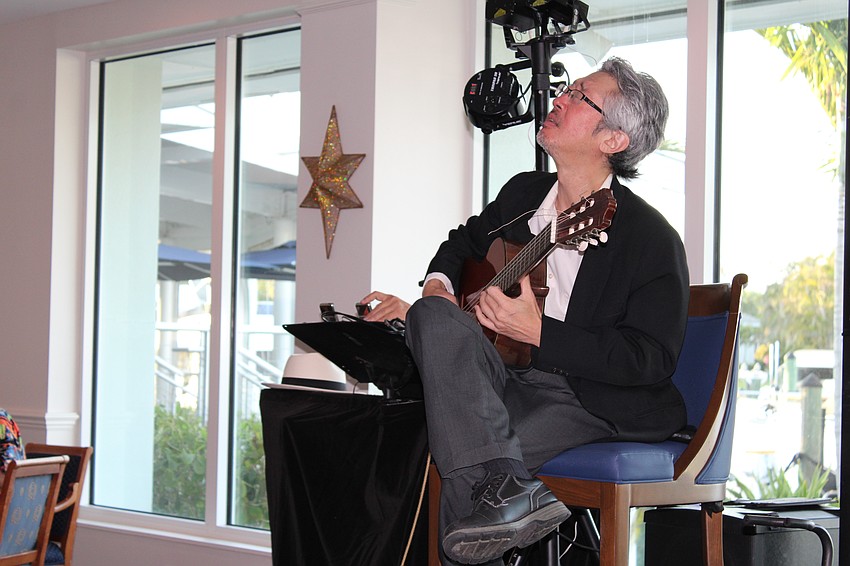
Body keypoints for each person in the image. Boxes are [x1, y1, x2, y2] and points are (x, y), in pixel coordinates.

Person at [360, 57, 689, 565]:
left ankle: (502, 495)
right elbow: (460, 245)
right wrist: (438, 287)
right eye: (568, 89)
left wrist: (541, 333)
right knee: (429, 316)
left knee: (466, 469)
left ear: (613, 141)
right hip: (501, 378)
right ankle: (508, 496)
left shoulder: (651, 238)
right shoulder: (523, 193)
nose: (558, 98)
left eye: (580, 96)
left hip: (583, 397)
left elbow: (649, 358)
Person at [0, 409, 25, 484]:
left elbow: (5, 476)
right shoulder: (3, 416)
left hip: (10, 487)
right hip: (21, 486)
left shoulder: (2, 420)